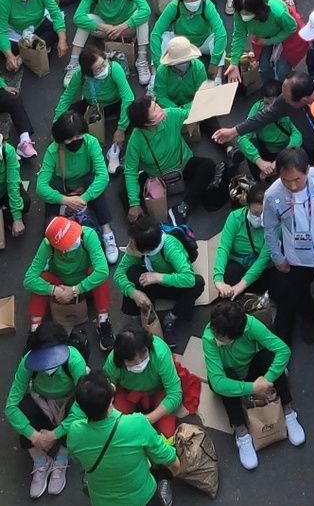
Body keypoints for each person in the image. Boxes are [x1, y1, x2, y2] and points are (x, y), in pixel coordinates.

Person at [202, 297, 305, 469]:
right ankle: (241, 431)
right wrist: (252, 388)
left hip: (251, 367)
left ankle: (288, 411)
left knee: (269, 358)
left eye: (220, 335)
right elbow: (218, 382)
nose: (215, 335)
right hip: (230, 375)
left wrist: (267, 379)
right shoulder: (209, 339)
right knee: (225, 379)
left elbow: (283, 350)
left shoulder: (250, 325)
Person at [261, 145, 314, 344]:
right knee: (299, 292)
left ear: (307, 170)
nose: (292, 186)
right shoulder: (272, 195)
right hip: (297, 257)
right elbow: (270, 229)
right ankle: (309, 317)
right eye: (285, 181)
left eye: (297, 179)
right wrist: (277, 257)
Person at [66, 371, 177, 506]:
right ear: (111, 396)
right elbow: (168, 457)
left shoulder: (74, 432)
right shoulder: (137, 423)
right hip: (143, 497)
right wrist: (175, 467)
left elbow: (77, 459)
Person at [5, 319, 87, 498]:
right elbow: (11, 406)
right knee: (23, 407)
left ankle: (62, 457)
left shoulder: (74, 360)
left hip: (68, 402)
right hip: (43, 401)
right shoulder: (27, 362)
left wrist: (53, 435)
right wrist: (34, 436)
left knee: (81, 409)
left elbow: (83, 404)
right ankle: (40, 460)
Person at [37, 110, 118, 263]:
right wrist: (65, 200)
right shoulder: (53, 151)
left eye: (78, 136)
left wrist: (83, 198)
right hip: (64, 188)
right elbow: (41, 186)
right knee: (52, 186)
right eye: (71, 138)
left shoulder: (91, 143)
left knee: (93, 180)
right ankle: (48, 241)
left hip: (84, 187)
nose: (76, 140)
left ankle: (107, 232)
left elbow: (103, 176)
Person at [23, 215, 115, 351]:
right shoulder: (47, 244)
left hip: (85, 283)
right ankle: (35, 330)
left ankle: (103, 320)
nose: (74, 241)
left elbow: (102, 271)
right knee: (42, 277)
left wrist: (75, 290)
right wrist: (54, 290)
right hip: (60, 284)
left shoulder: (88, 235)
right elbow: (29, 280)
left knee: (96, 272)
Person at [114, 215, 204, 350]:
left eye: (132, 242)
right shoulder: (136, 250)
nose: (129, 245)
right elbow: (118, 274)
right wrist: (134, 293)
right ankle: (137, 316)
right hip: (151, 280)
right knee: (131, 272)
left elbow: (188, 278)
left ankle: (170, 319)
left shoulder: (170, 247)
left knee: (198, 283)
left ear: (146, 250)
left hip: (173, 283)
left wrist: (159, 277)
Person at [123, 95, 218, 220]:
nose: (159, 108)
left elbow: (192, 114)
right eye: (154, 110)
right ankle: (143, 221)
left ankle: (183, 207)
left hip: (183, 164)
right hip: (157, 178)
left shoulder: (171, 114)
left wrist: (210, 101)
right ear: (146, 123)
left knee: (208, 165)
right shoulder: (135, 140)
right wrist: (134, 203)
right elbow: (131, 171)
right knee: (126, 192)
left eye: (156, 105)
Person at [104, 326, 181, 451]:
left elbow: (174, 394)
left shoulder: (160, 354)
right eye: (132, 361)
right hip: (127, 392)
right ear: (121, 360)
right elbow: (107, 392)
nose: (140, 363)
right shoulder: (112, 363)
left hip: (159, 391)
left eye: (144, 354)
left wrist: (148, 419)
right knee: (116, 430)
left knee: (167, 437)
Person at [213, 179, 280, 295]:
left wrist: (241, 286)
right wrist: (218, 279)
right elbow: (223, 248)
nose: (259, 218)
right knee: (231, 273)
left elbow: (263, 259)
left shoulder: (276, 225)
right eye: (255, 213)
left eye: (264, 214)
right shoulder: (235, 218)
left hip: (264, 269)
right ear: (247, 206)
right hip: (239, 265)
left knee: (284, 286)